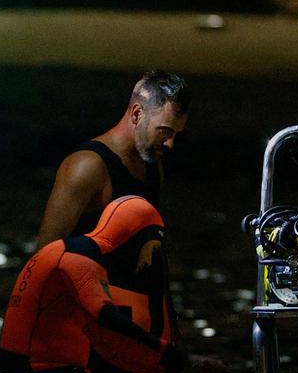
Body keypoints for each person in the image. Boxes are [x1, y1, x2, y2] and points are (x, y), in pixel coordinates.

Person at [0, 196, 221, 373]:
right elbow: (112, 329)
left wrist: (170, 366)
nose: (148, 263)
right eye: (150, 250)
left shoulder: (64, 253)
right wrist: (185, 363)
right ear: (134, 238)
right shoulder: (78, 262)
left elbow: (111, 346)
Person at [36, 70, 190, 251]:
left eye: (176, 134)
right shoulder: (88, 166)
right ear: (137, 113)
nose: (170, 144)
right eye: (165, 131)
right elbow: (44, 255)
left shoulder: (152, 161)